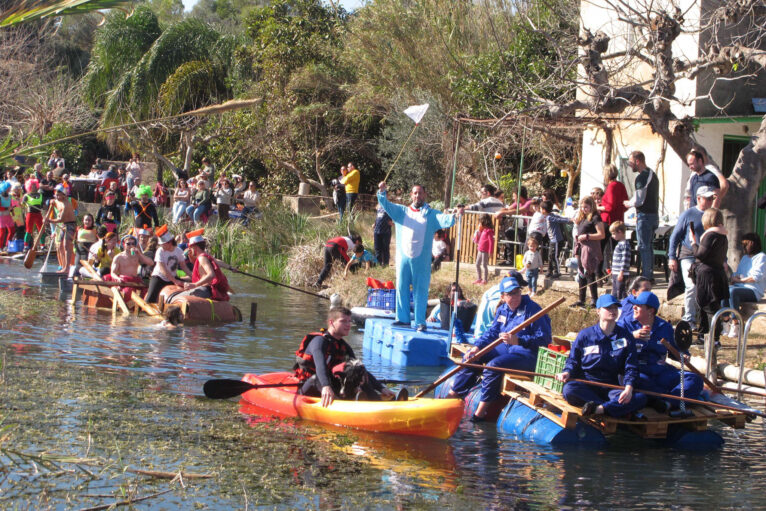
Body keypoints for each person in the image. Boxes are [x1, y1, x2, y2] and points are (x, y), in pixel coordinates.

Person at [447, 277, 552, 422]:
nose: (515, 297)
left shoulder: (533, 310)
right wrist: (477, 347)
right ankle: (453, 395)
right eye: (510, 294)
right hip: (507, 349)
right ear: (502, 296)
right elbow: (492, 333)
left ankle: (480, 413)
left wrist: (519, 340)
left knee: (493, 366)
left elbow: (544, 340)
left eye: (517, 292)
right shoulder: (502, 310)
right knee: (471, 357)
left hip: (526, 354)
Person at [377, 182, 463, 331]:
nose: (418, 195)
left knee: (421, 290)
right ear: (411, 195)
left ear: (425, 195)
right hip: (403, 258)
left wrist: (455, 215)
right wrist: (382, 191)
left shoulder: (431, 214)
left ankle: (420, 321)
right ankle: (403, 319)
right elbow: (386, 204)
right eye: (415, 193)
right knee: (402, 287)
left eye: (420, 193)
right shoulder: (401, 212)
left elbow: (445, 219)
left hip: (421, 261)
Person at [556, 294, 648, 417]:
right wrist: (567, 372)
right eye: (608, 308)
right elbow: (573, 360)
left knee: (640, 398)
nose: (613, 311)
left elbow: (631, 366)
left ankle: (599, 409)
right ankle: (613, 407)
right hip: (587, 384)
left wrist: (628, 388)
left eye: (615, 308)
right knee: (569, 390)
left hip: (611, 386)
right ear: (598, 311)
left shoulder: (626, 337)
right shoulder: (585, 335)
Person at [617, 291, 703, 412]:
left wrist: (683, 355)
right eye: (634, 305)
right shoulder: (625, 324)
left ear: (650, 311)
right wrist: (632, 336)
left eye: (639, 306)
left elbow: (676, 351)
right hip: (638, 372)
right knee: (639, 383)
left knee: (694, 379)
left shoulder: (665, 327)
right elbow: (612, 346)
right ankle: (673, 398)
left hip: (661, 372)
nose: (634, 308)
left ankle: (667, 402)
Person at [294, 307, 395, 406]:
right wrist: (326, 386)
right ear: (331, 322)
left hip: (328, 384)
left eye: (349, 321)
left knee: (358, 372)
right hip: (309, 385)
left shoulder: (343, 346)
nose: (348, 325)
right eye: (343, 321)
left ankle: (378, 403)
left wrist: (381, 387)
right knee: (317, 378)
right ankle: (341, 406)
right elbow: (321, 367)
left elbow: (361, 370)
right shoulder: (319, 342)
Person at [667, 185, 715, 332]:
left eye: (711, 198)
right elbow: (675, 236)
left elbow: (718, 239)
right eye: (706, 198)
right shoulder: (688, 214)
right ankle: (689, 319)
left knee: (705, 288)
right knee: (692, 286)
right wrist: (672, 257)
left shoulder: (713, 214)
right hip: (688, 255)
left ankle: (703, 320)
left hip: (705, 256)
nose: (709, 201)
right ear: (699, 198)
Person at [691, 208, 729, 342]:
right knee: (708, 305)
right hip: (717, 273)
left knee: (709, 307)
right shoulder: (723, 235)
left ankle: (713, 338)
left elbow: (700, 255)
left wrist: (693, 243)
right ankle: (704, 336)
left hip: (708, 275)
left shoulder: (710, 235)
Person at [623, 151, 659, 281]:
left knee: (643, 247)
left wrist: (628, 204)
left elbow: (639, 199)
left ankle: (646, 277)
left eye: (631, 162)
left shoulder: (641, 177)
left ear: (637, 161)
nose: (630, 165)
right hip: (654, 216)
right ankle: (649, 274)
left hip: (645, 216)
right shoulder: (652, 174)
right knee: (649, 246)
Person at [168, 229, 230, 302]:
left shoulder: (202, 258)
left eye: (190, 247)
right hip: (206, 289)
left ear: (195, 247)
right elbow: (200, 273)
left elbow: (211, 274)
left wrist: (195, 285)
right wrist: (191, 259)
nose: (189, 249)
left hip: (206, 290)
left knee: (173, 299)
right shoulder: (204, 256)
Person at [723, 233, 766, 337]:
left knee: (733, 292)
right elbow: (737, 274)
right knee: (724, 289)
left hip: (753, 290)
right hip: (740, 286)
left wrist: (740, 280)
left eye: (745, 244)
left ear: (751, 244)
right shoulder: (744, 258)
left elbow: (755, 278)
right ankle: (725, 321)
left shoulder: (762, 257)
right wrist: (734, 278)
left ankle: (735, 324)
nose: (743, 247)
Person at [571, 196, 606, 308]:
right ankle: (581, 299)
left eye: (585, 207)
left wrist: (587, 236)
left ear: (591, 206)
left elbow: (601, 234)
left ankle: (594, 299)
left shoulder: (595, 217)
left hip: (590, 249)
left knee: (589, 273)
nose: (583, 209)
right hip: (581, 248)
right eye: (582, 207)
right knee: (581, 273)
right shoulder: (583, 217)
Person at [145, 226, 192, 303]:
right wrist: (175, 281)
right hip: (159, 277)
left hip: (172, 277)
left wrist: (192, 276)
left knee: (188, 288)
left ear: (169, 242)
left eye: (163, 244)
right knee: (150, 299)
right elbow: (163, 270)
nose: (161, 246)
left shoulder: (178, 251)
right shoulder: (160, 251)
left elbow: (184, 267)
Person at [599, 164, 629, 269]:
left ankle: (601, 272)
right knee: (617, 248)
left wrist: (598, 208)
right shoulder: (621, 185)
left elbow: (609, 207)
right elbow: (626, 204)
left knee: (601, 248)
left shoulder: (611, 186)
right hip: (618, 220)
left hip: (608, 221)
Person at [108, 235, 153, 302]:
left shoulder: (137, 255)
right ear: (124, 244)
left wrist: (139, 254)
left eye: (133, 244)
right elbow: (113, 273)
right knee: (128, 291)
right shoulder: (118, 257)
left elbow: (151, 263)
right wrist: (118, 278)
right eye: (128, 244)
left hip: (135, 281)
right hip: (124, 281)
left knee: (145, 291)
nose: (131, 245)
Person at [45, 185, 76, 274]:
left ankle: (67, 268)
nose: (57, 196)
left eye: (59, 195)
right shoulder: (55, 201)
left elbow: (60, 219)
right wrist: (47, 216)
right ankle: (62, 265)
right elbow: (52, 204)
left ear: (64, 195)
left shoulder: (66, 204)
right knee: (60, 246)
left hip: (70, 225)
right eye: (56, 194)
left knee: (67, 246)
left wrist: (49, 220)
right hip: (62, 225)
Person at [541, 200, 571, 278]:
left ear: (544, 210)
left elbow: (559, 219)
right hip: (552, 240)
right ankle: (550, 270)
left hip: (556, 240)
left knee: (554, 256)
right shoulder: (549, 216)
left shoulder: (550, 217)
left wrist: (568, 220)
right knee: (550, 255)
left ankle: (557, 271)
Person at [609, 221, 631, 300]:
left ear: (620, 232)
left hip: (621, 273)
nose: (612, 236)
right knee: (614, 291)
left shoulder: (625, 244)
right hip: (616, 272)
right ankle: (615, 306)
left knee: (621, 292)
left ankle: (622, 306)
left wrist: (621, 272)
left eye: (613, 233)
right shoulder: (619, 244)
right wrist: (613, 270)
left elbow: (625, 259)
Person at [22, 180, 45, 250]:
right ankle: (25, 245)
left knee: (41, 230)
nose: (34, 187)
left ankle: (42, 245)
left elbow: (42, 205)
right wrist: (22, 202)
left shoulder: (40, 195)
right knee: (29, 230)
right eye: (32, 186)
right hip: (30, 214)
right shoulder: (26, 195)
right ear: (29, 186)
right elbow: (22, 204)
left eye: (35, 185)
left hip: (38, 214)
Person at [473, 214, 494, 285]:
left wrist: (490, 252)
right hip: (480, 250)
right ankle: (479, 278)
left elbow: (491, 242)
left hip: (485, 251)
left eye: (480, 222)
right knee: (477, 264)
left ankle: (485, 280)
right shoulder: (484, 230)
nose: (479, 224)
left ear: (485, 222)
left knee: (484, 265)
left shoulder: (489, 231)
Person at [373, 200, 392, 266]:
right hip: (377, 231)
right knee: (377, 248)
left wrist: (394, 223)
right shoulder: (378, 206)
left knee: (385, 248)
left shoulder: (389, 206)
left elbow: (396, 216)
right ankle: (378, 264)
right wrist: (374, 223)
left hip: (386, 231)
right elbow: (378, 217)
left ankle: (386, 264)